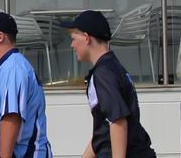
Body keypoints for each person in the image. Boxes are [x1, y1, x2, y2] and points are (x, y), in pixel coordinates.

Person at [59, 10, 156, 158]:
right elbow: (104, 129)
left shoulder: (103, 74)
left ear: (86, 38)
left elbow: (118, 122)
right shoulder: (113, 67)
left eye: (73, 38)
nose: (72, 45)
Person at [0, 12, 52, 158]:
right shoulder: (7, 67)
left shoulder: (13, 68)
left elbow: (11, 117)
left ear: (0, 37)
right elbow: (0, 132)